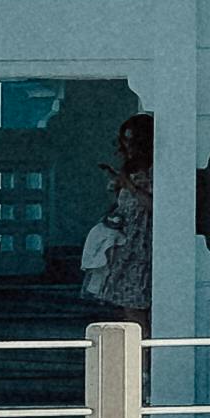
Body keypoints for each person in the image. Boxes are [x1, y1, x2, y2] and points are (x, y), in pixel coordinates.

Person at [79, 117, 157, 328]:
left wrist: (130, 186)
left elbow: (157, 206)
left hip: (145, 247)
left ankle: (145, 358)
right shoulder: (131, 169)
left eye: (133, 141)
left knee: (138, 312)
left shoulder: (155, 170)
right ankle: (139, 358)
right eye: (124, 141)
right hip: (126, 245)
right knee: (130, 311)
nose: (127, 146)